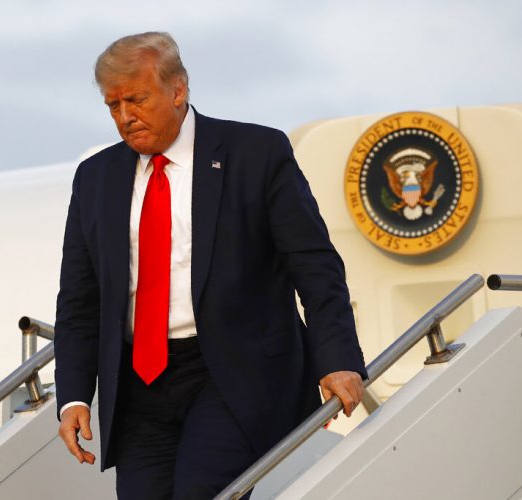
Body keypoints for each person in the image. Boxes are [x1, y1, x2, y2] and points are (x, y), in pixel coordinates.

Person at [54, 31, 367, 499]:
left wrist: (338, 359)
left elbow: (314, 265)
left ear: (178, 90)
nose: (125, 117)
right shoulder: (95, 178)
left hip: (232, 371)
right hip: (140, 382)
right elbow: (80, 298)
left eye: (136, 100)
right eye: (113, 106)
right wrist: (75, 395)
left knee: (202, 489)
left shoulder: (256, 154)